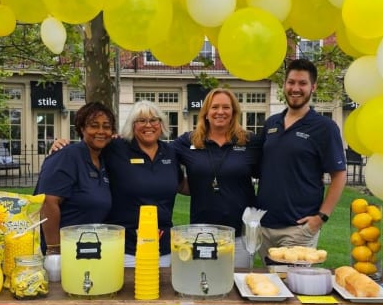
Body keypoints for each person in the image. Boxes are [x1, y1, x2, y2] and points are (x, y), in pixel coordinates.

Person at [256, 58, 347, 253]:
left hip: (298, 229)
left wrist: (321, 217)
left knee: (294, 284)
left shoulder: (324, 128)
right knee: (267, 282)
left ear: (313, 87)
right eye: (291, 82)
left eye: (302, 83)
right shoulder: (271, 123)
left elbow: (339, 175)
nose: (295, 88)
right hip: (264, 227)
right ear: (284, 85)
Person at [173, 88, 262, 268]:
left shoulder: (250, 142)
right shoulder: (188, 141)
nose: (220, 112)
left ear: (233, 112)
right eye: (214, 107)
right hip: (202, 233)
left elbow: (272, 172)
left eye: (226, 107)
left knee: (237, 287)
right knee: (204, 284)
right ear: (206, 113)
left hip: (240, 236)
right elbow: (160, 156)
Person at [101, 101, 184, 267]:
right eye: (141, 120)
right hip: (127, 249)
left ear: (161, 124)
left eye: (154, 120)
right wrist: (62, 145)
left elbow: (181, 184)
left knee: (162, 291)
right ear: (132, 125)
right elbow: (88, 148)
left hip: (164, 247)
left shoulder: (170, 152)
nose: (149, 125)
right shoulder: (115, 148)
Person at [35, 102, 116, 259]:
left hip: (88, 248)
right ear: (82, 128)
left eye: (106, 126)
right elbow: (48, 202)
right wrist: (54, 251)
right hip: (65, 252)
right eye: (94, 126)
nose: (101, 131)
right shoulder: (67, 156)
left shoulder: (102, 159)